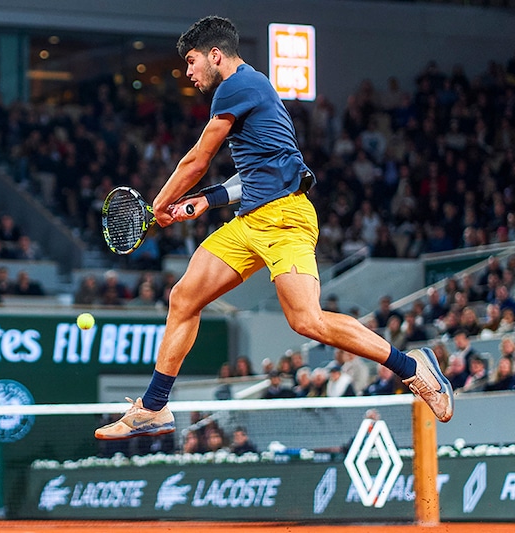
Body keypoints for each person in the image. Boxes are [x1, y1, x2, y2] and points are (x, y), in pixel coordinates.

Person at [95, 16, 452, 442]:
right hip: (251, 220)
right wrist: (207, 199)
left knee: (308, 321)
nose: (187, 72)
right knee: (184, 296)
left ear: (215, 55)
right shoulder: (251, 89)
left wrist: (158, 204)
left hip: (285, 219)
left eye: (191, 61)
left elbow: (197, 160)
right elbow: (260, 171)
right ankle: (154, 407)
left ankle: (413, 367)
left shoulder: (237, 85)